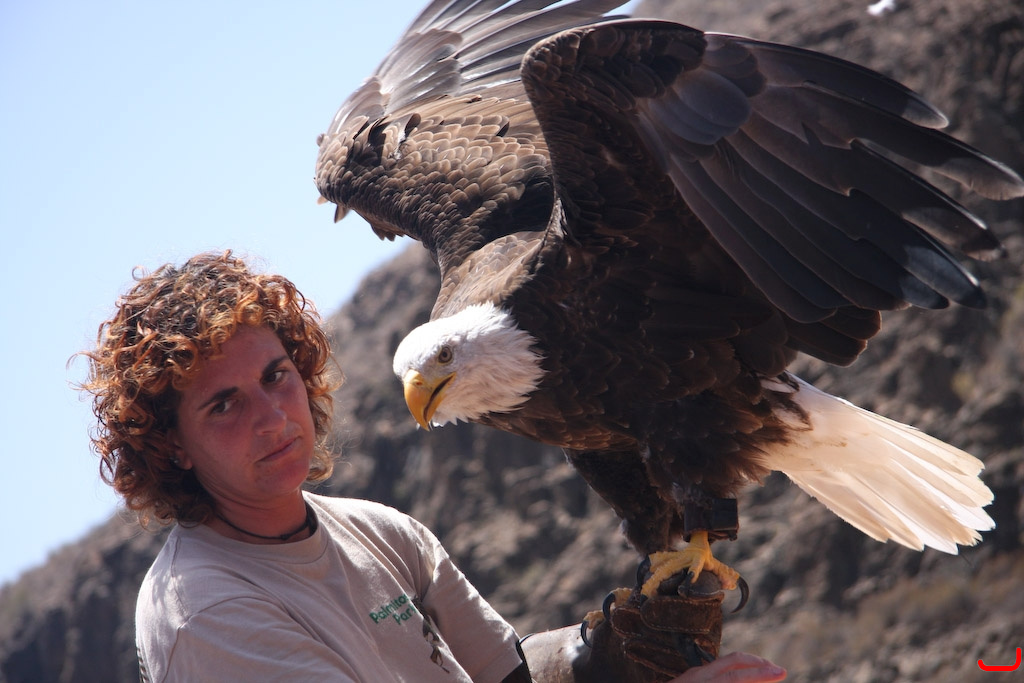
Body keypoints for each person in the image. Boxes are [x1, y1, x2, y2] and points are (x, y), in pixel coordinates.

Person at [81, 250, 786, 682]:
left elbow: (511, 677)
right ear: (171, 445)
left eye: (275, 375)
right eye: (224, 405)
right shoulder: (208, 612)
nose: (271, 416)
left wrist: (610, 660)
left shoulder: (382, 533)